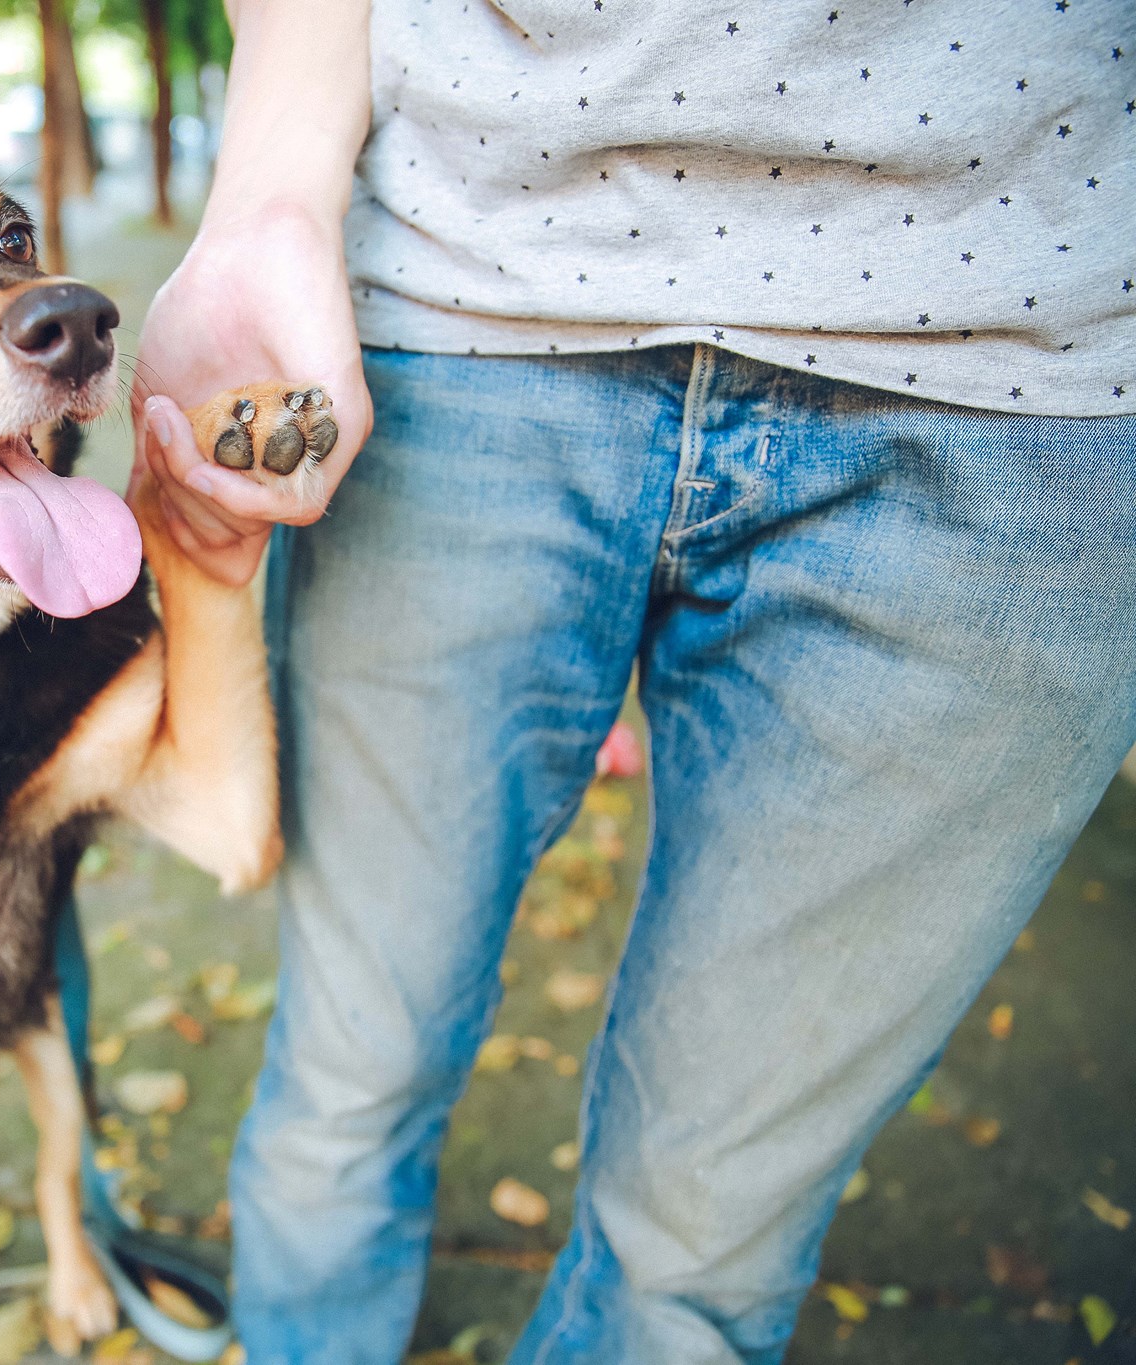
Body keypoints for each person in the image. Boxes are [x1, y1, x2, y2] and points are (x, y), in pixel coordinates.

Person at [129, 0, 1136, 1360]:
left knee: (700, 1251)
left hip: (1025, 377)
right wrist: (266, 204)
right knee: (351, 1075)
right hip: (462, 314)